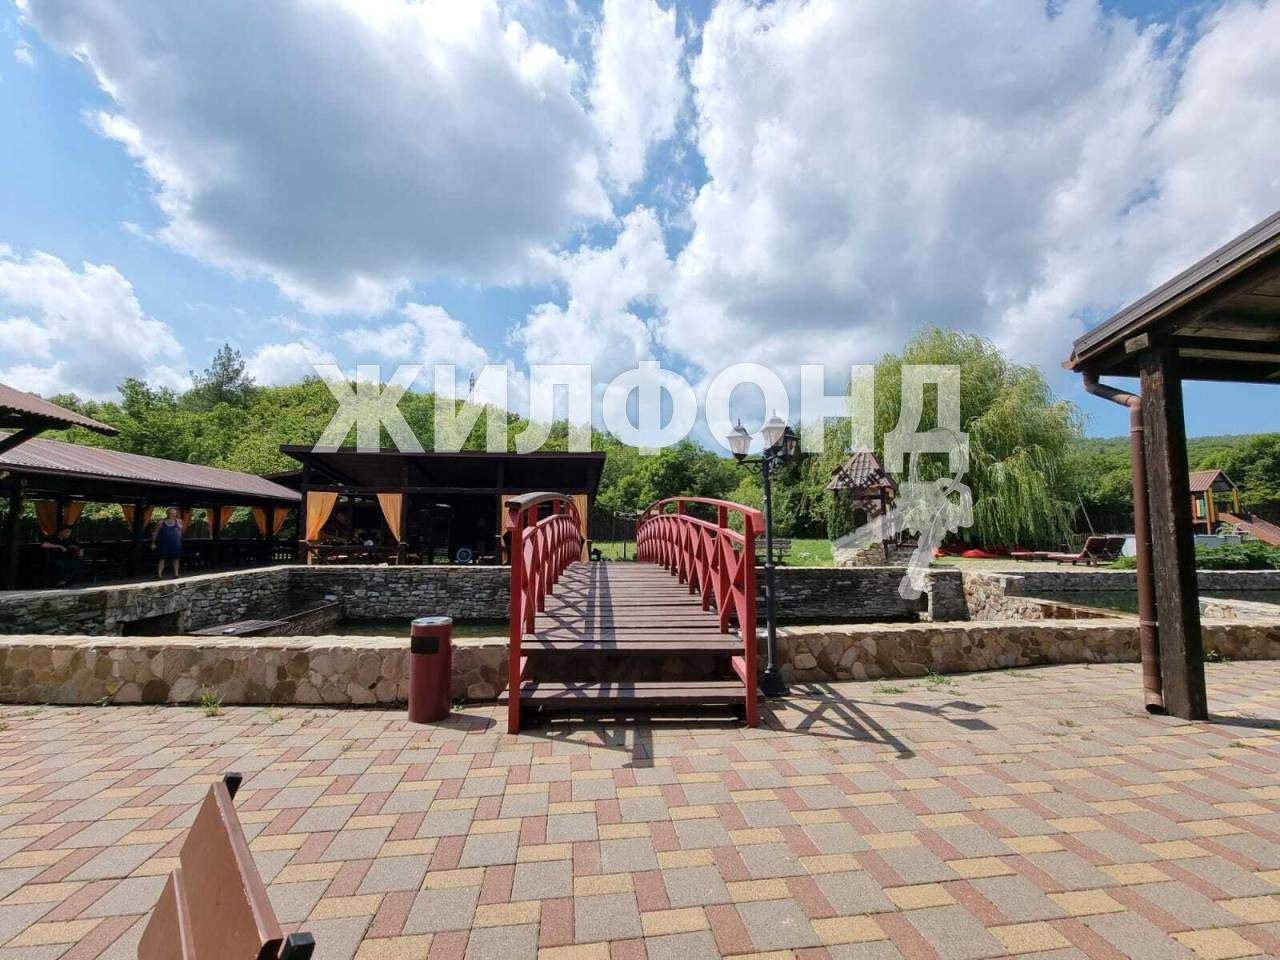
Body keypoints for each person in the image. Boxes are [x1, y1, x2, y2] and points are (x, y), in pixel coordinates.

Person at [152, 507, 185, 579]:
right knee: (162, 559)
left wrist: (179, 541)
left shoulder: (179, 521)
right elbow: (155, 532)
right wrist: (153, 543)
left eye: (175, 513)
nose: (173, 515)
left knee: (176, 559)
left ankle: (176, 574)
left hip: (175, 544)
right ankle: (159, 575)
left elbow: (181, 532)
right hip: (163, 544)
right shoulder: (161, 522)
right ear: (167, 513)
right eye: (171, 513)